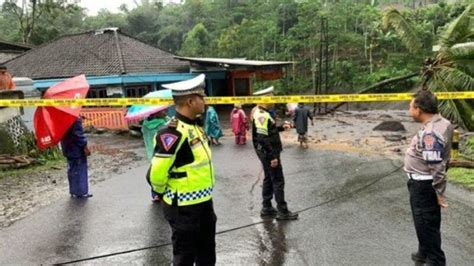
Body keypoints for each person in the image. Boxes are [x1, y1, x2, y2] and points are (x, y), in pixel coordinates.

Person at [149, 74, 217, 266]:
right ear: (190, 101)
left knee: (207, 254)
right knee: (184, 257)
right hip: (184, 207)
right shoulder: (172, 132)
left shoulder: (195, 127)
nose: (204, 101)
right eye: (201, 97)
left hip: (204, 202)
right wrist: (163, 193)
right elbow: (157, 173)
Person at [404, 89, 452, 266]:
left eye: (410, 106)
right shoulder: (443, 123)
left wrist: (439, 193)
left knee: (426, 223)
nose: (409, 110)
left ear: (418, 109)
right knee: (424, 222)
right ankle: (423, 252)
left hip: (423, 185)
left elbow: (437, 166)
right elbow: (447, 153)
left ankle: (435, 260)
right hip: (421, 182)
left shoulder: (430, 133)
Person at [252, 86, 299, 221]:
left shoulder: (264, 112)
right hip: (268, 153)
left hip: (265, 152)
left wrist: (280, 128)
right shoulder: (261, 114)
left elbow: (267, 132)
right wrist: (272, 156)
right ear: (265, 99)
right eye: (272, 97)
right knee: (278, 180)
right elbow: (262, 137)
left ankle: (266, 207)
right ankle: (283, 211)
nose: (274, 99)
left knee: (268, 178)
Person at [60, 117, 92, 198]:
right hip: (76, 150)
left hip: (67, 148)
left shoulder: (62, 119)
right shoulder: (75, 119)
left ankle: (73, 191)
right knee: (79, 170)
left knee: (71, 170)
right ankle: (80, 192)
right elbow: (78, 135)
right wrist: (84, 145)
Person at [142, 109, 169, 202]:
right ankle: (161, 193)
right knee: (159, 174)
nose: (166, 112)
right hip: (163, 153)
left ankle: (155, 194)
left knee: (153, 174)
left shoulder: (145, 125)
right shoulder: (164, 124)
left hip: (151, 153)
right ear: (156, 113)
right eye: (163, 111)